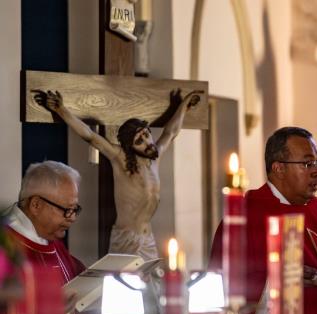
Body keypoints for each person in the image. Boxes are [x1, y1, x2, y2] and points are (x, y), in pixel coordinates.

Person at [209, 126, 317, 314]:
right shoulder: (245, 218)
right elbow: (222, 288)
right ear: (278, 169)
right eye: (307, 163)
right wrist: (279, 278)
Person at [34, 89, 202, 260]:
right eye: (139, 141)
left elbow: (171, 132)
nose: (146, 142)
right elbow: (90, 136)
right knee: (124, 284)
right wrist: (61, 109)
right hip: (126, 239)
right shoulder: (120, 158)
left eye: (146, 135)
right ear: (131, 148)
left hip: (147, 238)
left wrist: (184, 105)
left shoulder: (155, 157)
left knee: (154, 285)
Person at [4, 160, 93, 314]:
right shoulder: (5, 246)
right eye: (66, 210)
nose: (73, 218)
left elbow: (83, 281)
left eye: (75, 209)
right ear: (36, 205)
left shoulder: (52, 241)